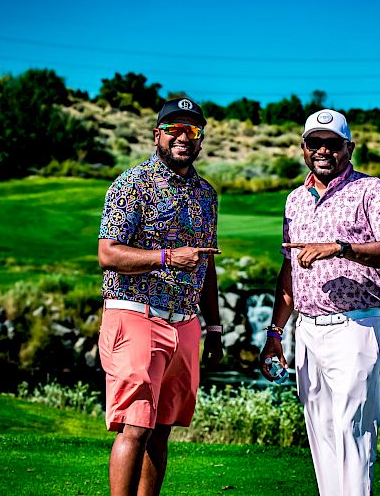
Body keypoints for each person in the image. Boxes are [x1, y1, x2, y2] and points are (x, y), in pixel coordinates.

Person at [260, 109, 380, 496]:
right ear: (304, 148)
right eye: (315, 143)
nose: (323, 150)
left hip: (355, 325)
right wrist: (276, 333)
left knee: (352, 428)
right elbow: (289, 268)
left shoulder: (371, 190)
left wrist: (341, 248)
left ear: (349, 148)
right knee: (322, 430)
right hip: (307, 330)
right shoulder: (295, 200)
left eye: (333, 144)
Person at [98, 98, 223, 495]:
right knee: (135, 425)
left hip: (185, 322)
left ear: (201, 139)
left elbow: (208, 266)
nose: (184, 137)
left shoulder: (206, 194)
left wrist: (215, 326)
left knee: (162, 428)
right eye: (174, 129)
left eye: (193, 130)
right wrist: (168, 257)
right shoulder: (131, 184)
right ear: (158, 135)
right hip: (135, 313)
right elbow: (108, 253)